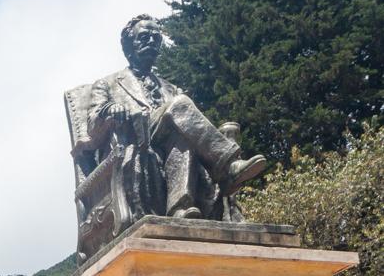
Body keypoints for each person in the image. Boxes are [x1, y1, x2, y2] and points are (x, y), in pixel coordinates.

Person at [86, 14, 267, 219]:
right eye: (144, 37)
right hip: (137, 139)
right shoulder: (107, 84)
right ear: (129, 46)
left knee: (183, 138)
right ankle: (228, 165)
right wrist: (110, 109)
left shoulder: (170, 88)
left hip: (166, 142)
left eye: (156, 38)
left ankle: (179, 208)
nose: (152, 41)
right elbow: (92, 125)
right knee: (179, 104)